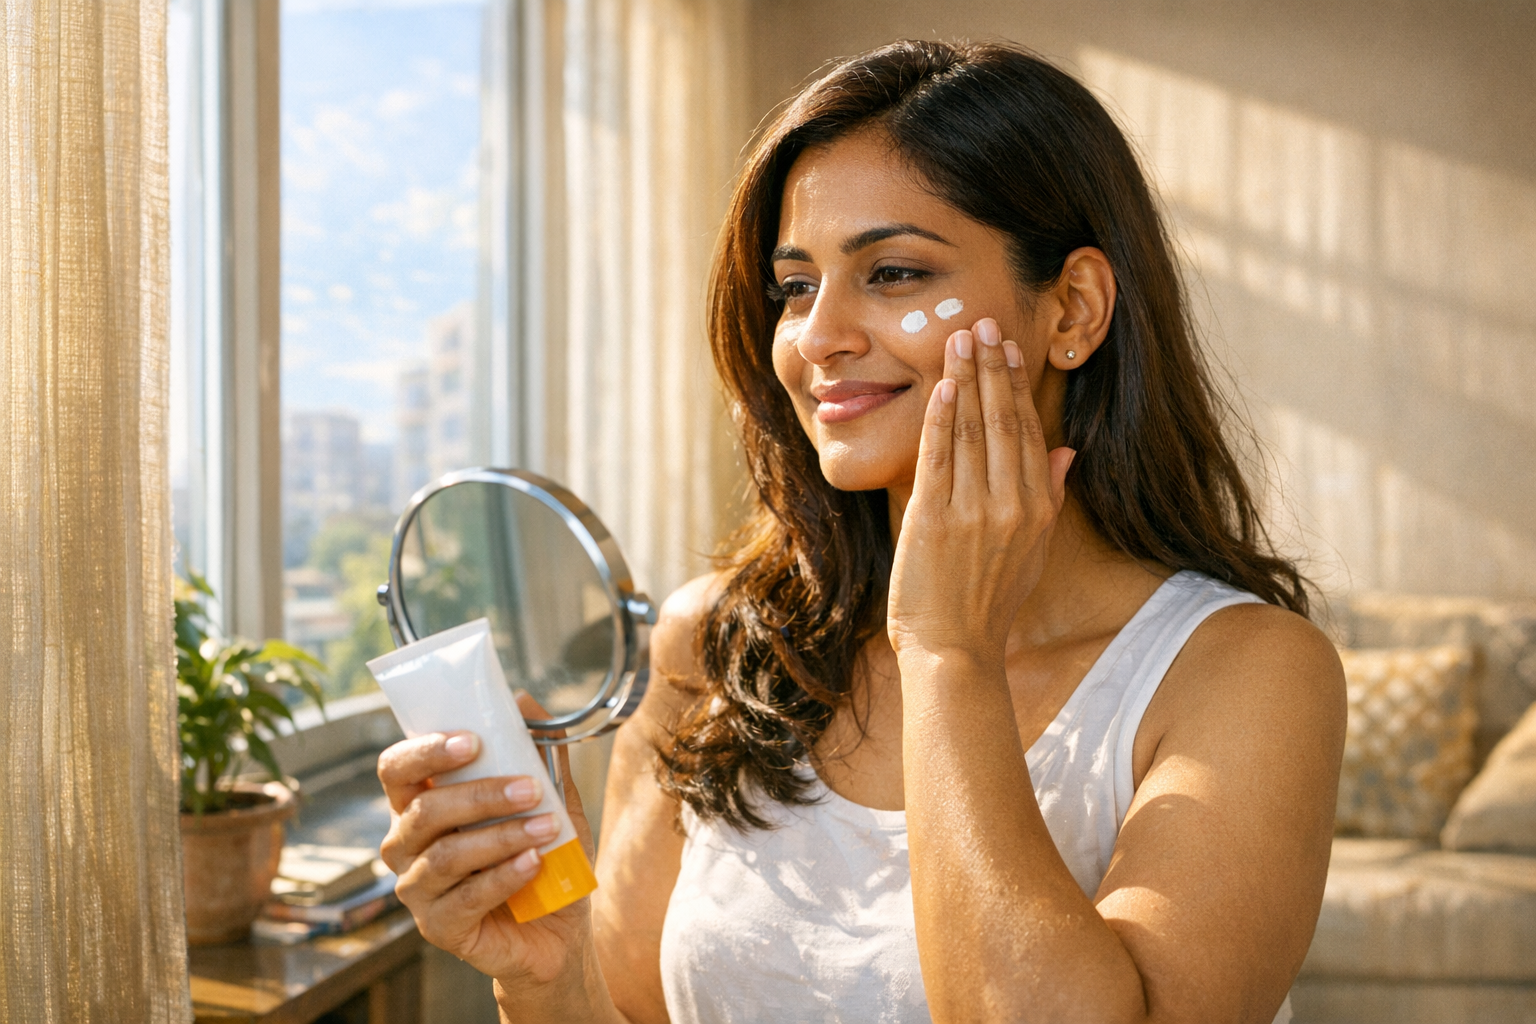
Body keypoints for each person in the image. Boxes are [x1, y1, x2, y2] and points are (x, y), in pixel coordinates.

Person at [376, 40, 1345, 1024]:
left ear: (1074, 308)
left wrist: (947, 649)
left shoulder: (1247, 675)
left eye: (891, 272)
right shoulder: (710, 643)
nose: (818, 335)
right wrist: (543, 980)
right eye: (795, 287)